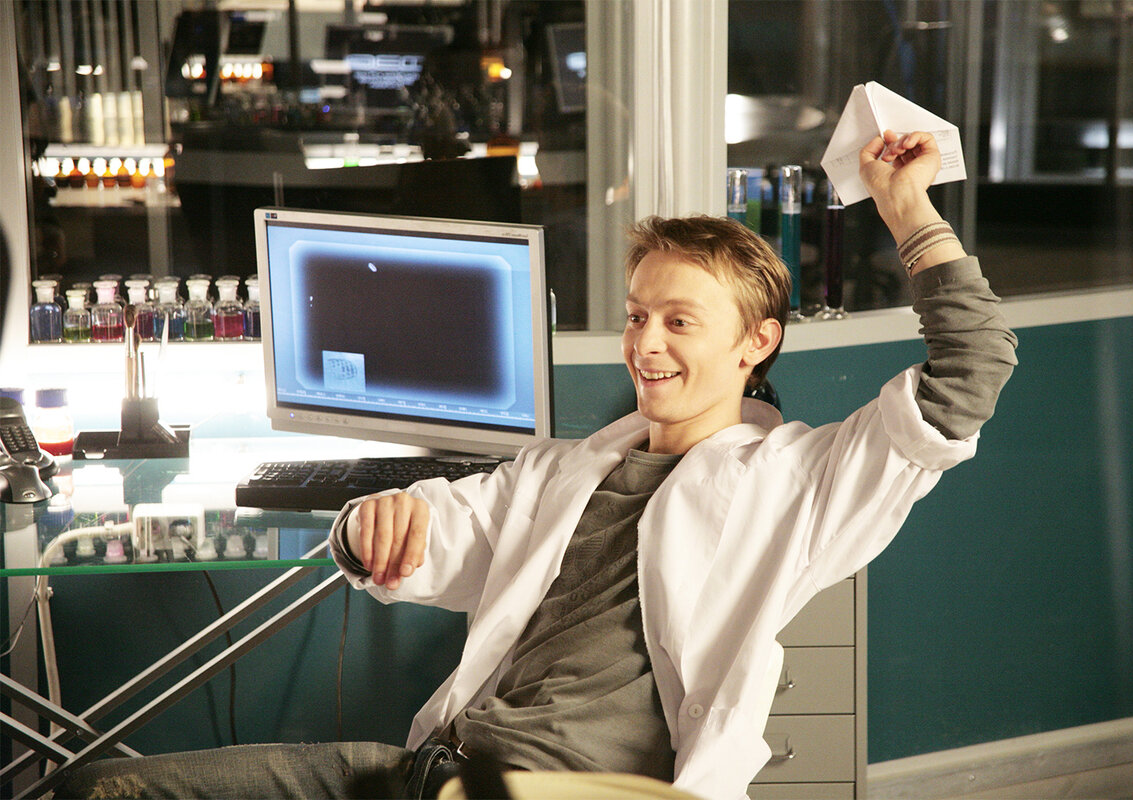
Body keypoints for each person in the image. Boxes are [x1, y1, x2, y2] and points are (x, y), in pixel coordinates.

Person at [57, 130, 1016, 800]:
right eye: (637, 315)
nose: (645, 344)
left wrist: (906, 205)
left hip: (560, 792)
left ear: (756, 342)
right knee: (95, 789)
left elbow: (971, 369)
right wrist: (368, 525)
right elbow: (439, 527)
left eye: (680, 322)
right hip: (432, 771)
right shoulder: (565, 472)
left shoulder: (798, 483)